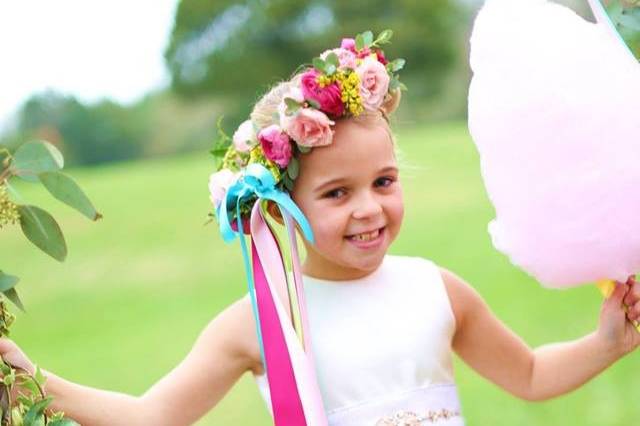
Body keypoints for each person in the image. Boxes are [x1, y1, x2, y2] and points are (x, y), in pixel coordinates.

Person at [1, 30, 639, 426]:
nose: (369, 208)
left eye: (383, 182)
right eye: (338, 193)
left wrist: (605, 341)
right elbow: (152, 416)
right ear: (281, 205)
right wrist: (32, 379)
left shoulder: (436, 289)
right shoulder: (264, 320)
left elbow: (526, 374)